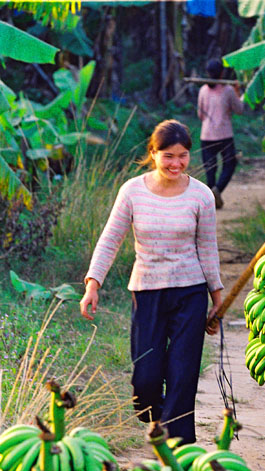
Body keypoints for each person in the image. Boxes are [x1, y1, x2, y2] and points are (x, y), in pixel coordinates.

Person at [80, 118, 223, 444]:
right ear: (153, 153)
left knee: (183, 374)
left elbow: (207, 249)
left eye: (183, 155)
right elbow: (110, 239)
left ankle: (179, 449)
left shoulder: (201, 196)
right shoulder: (132, 191)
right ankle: (156, 419)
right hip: (147, 293)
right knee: (145, 379)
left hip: (190, 293)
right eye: (168, 156)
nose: (176, 163)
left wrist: (217, 298)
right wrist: (93, 284)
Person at [197, 58, 244, 209]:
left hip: (206, 134)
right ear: (222, 73)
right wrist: (238, 92)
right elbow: (239, 109)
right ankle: (217, 190)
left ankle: (212, 197)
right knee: (230, 164)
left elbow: (200, 114)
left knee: (210, 167)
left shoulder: (203, 90)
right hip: (224, 134)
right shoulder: (228, 90)